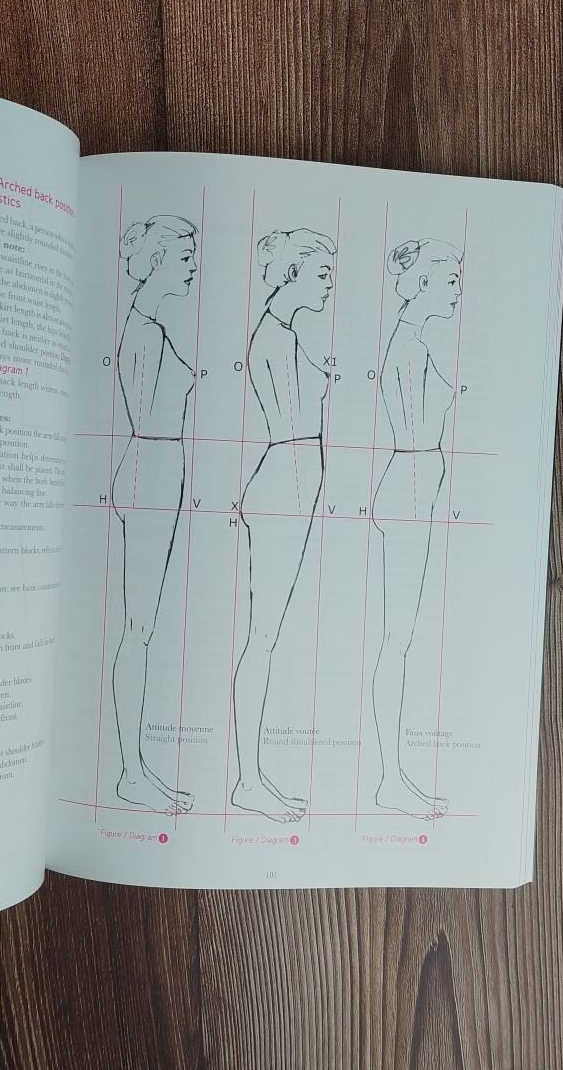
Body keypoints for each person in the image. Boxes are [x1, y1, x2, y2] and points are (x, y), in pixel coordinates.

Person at [231, 228, 336, 823]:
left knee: (268, 637)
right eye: (322, 274)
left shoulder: (286, 333)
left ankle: (253, 776)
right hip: (283, 486)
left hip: (295, 483)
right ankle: (248, 781)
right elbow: (293, 421)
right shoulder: (274, 336)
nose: (330, 285)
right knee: (261, 638)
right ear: (292, 275)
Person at [370, 237, 462, 818]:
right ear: (422, 282)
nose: (457, 290)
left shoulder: (413, 341)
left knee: (401, 639)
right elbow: (413, 428)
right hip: (406, 489)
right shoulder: (407, 346)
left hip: (414, 489)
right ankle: (389, 778)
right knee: (395, 640)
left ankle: (393, 775)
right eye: (450, 279)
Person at [111, 215, 198, 814]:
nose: (193, 266)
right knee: (137, 629)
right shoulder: (143, 331)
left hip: (158, 473)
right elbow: (145, 416)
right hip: (149, 473)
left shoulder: (151, 325)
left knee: (142, 628)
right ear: (158, 260)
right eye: (185, 256)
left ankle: (136, 768)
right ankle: (131, 772)